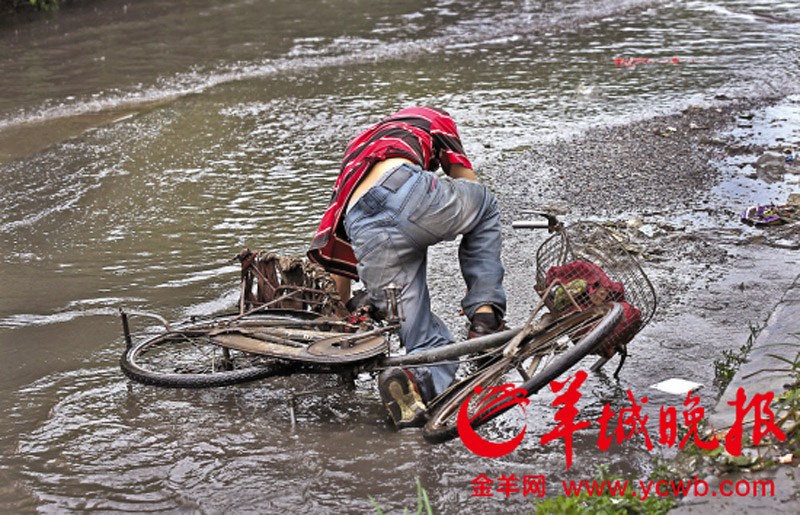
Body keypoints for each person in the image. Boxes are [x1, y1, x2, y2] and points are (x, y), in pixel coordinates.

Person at [308, 106, 506, 429]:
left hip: (361, 222)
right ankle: (485, 316)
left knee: (426, 344)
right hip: (407, 188)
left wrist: (343, 313)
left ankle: (411, 380)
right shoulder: (431, 118)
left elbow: (337, 253)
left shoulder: (356, 150)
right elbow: (466, 183)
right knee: (484, 205)